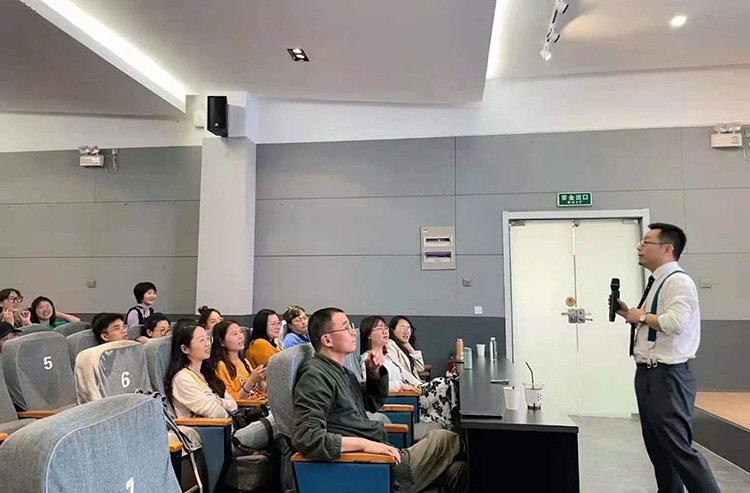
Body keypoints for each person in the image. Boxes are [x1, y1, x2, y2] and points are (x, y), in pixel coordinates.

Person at [292, 307, 467, 493]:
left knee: (460, 470)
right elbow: (306, 437)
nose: (353, 333)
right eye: (346, 327)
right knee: (445, 438)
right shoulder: (315, 377)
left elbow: (372, 403)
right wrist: (365, 445)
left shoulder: (341, 372)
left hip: (381, 457)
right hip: (373, 467)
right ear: (327, 340)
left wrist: (374, 373)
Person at [614, 223, 719, 493]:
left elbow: (675, 323)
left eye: (646, 242)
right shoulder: (658, 281)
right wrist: (632, 314)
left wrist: (641, 316)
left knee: (678, 449)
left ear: (667, 249)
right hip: (650, 374)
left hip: (667, 376)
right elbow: (654, 321)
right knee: (659, 450)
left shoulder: (678, 281)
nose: (640, 247)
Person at [386, 315, 458, 427]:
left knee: (451, 383)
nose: (406, 331)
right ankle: (445, 421)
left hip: (417, 387)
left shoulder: (403, 347)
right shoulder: (390, 344)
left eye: (408, 328)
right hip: (412, 392)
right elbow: (400, 370)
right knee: (443, 382)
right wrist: (419, 385)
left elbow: (420, 368)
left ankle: (445, 419)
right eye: (402, 327)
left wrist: (409, 347)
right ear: (392, 330)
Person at [165, 323, 237, 419]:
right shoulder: (182, 379)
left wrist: (217, 402)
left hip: (226, 424)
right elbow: (215, 413)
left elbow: (233, 405)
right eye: (201, 340)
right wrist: (223, 405)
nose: (207, 344)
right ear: (185, 349)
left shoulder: (208, 373)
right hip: (203, 427)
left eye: (208, 339)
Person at [212, 320, 267, 400]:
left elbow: (257, 392)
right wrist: (251, 381)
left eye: (240, 332)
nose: (241, 336)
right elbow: (231, 400)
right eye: (235, 334)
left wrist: (259, 381)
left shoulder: (245, 362)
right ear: (222, 342)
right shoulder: (222, 366)